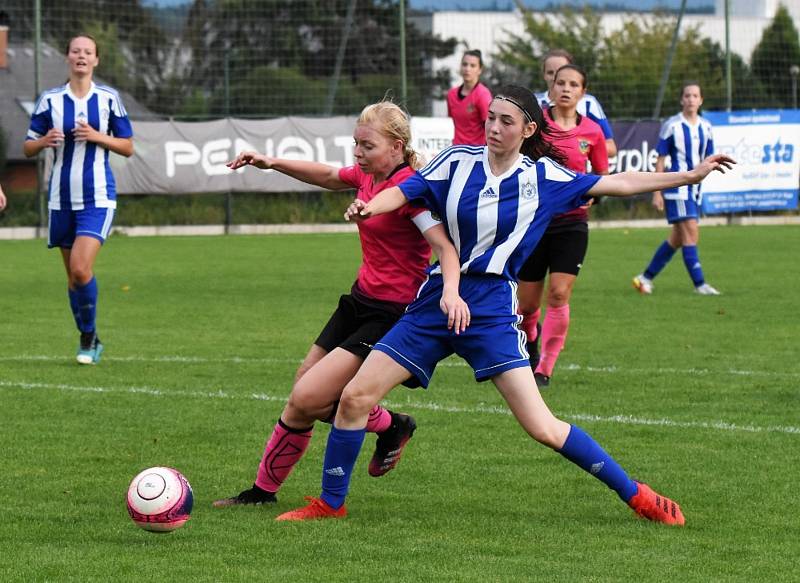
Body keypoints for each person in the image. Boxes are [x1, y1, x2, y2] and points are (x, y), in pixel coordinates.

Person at [275, 85, 734, 525]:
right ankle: (330, 504)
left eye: (505, 120)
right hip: (436, 302)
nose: (492, 126)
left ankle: (636, 494)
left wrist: (689, 176)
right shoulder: (456, 162)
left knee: (543, 427)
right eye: (490, 117)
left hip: (491, 310)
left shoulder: (545, 178)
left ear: (528, 130)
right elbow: (406, 190)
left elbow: (620, 182)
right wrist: (370, 206)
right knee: (355, 397)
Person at [213, 102, 469, 507]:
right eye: (355, 143)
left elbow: (444, 247)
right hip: (358, 301)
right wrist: (271, 162)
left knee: (309, 397)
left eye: (367, 145)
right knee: (304, 389)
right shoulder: (368, 177)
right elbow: (330, 175)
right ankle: (262, 493)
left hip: (391, 315)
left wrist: (450, 291)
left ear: (396, 147)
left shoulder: (412, 192)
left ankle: (387, 428)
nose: (357, 153)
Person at [23, 34, 134, 364]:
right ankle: (90, 335)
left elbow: (128, 146)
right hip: (60, 199)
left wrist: (99, 136)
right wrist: (43, 140)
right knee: (73, 277)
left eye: (88, 52)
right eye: (75, 51)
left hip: (98, 197)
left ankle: (87, 338)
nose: (81, 56)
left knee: (82, 269)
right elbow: (26, 148)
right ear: (68, 58)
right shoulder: (50, 101)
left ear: (96, 60)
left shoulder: (109, 99)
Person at [518, 64, 608, 388]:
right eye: (561, 83)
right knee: (526, 304)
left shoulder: (593, 132)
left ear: (583, 92)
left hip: (572, 226)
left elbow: (601, 176)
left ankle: (545, 367)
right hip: (535, 222)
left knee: (558, 294)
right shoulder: (536, 126)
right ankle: (529, 340)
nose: (566, 89)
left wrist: (592, 197)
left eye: (574, 84)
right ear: (551, 87)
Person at [633, 82, 720, 296]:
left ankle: (644, 278)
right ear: (682, 100)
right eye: (687, 95)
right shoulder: (672, 125)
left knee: (677, 239)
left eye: (695, 95)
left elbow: (709, 159)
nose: (691, 99)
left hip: (695, 190)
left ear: (701, 100)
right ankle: (700, 285)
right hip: (678, 187)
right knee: (691, 233)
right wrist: (657, 192)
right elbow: (660, 160)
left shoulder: (706, 127)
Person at [534, 49, 617, 158]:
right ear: (544, 75)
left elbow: (611, 148)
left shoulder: (589, 103)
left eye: (560, 71)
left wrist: (579, 147)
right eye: (550, 72)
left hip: (580, 173)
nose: (555, 76)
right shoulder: (533, 102)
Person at [447, 49, 493, 146]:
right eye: (465, 64)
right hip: (457, 150)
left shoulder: (483, 94)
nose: (467, 69)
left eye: (472, 65)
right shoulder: (451, 94)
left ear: (480, 69)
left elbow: (490, 126)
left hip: (476, 151)